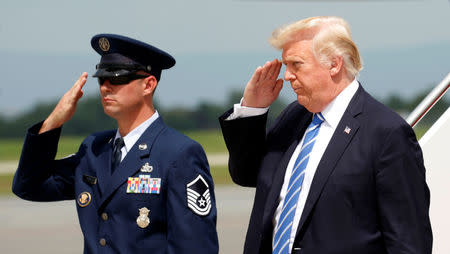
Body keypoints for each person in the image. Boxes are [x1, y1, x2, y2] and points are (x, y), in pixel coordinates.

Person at [219, 16, 432, 254]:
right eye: (286, 65)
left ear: (334, 64)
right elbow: (248, 174)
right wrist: (252, 109)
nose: (287, 75)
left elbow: (408, 241)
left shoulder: (386, 133)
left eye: (296, 64)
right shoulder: (294, 117)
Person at [12, 34, 219, 254]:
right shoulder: (94, 149)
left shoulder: (179, 154)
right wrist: (53, 122)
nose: (105, 87)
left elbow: (195, 247)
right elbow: (28, 186)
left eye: (118, 78)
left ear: (148, 84)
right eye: (101, 78)